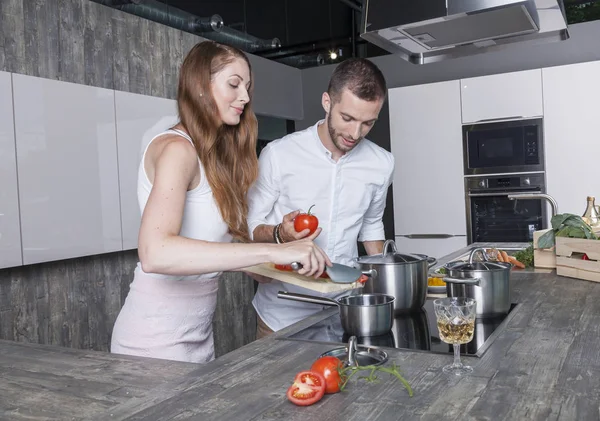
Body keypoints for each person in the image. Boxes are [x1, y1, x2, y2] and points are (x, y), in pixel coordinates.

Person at [110, 41, 330, 364]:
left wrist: (287, 248)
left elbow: (242, 262)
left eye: (248, 87)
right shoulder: (176, 149)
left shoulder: (216, 161)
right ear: (201, 84)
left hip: (199, 341)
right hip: (151, 344)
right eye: (234, 84)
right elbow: (154, 253)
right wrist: (275, 251)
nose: (245, 96)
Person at [247, 58, 395, 339]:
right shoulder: (278, 155)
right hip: (282, 313)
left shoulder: (382, 162)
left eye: (367, 123)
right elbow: (250, 225)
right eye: (347, 119)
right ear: (327, 102)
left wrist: (387, 283)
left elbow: (372, 225)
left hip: (345, 311)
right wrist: (280, 233)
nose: (355, 134)